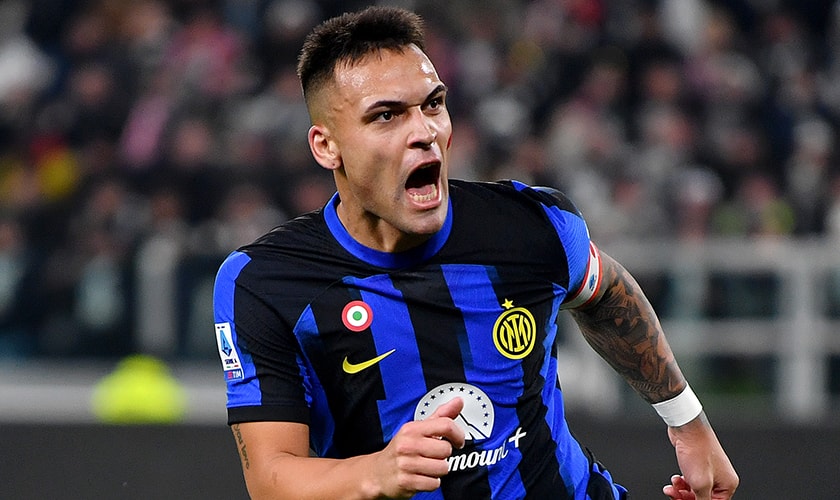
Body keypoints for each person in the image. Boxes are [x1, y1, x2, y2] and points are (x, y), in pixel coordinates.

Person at [212, 6, 738, 499]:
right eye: (386, 116)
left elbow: (606, 293)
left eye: (433, 104)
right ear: (327, 146)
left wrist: (687, 422)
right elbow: (271, 478)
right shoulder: (264, 282)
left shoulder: (531, 225)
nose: (424, 132)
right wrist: (375, 472)